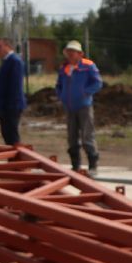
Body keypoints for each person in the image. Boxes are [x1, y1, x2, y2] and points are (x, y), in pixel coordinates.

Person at [55, 40, 102, 174]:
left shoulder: (88, 66)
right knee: (72, 137)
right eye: (68, 52)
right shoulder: (64, 68)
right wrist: (61, 95)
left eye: (73, 52)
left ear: (79, 54)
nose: (70, 54)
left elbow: (97, 82)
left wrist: (85, 92)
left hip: (84, 106)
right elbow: (58, 85)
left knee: (87, 135)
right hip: (69, 107)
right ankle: (75, 166)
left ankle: (93, 166)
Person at [0, 37, 26, 145]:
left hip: (11, 106)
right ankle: (12, 159)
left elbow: (15, 86)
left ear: (8, 46)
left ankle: (16, 160)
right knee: (7, 135)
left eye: (0, 47)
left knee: (12, 136)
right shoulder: (6, 62)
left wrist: (7, 106)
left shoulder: (15, 61)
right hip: (4, 106)